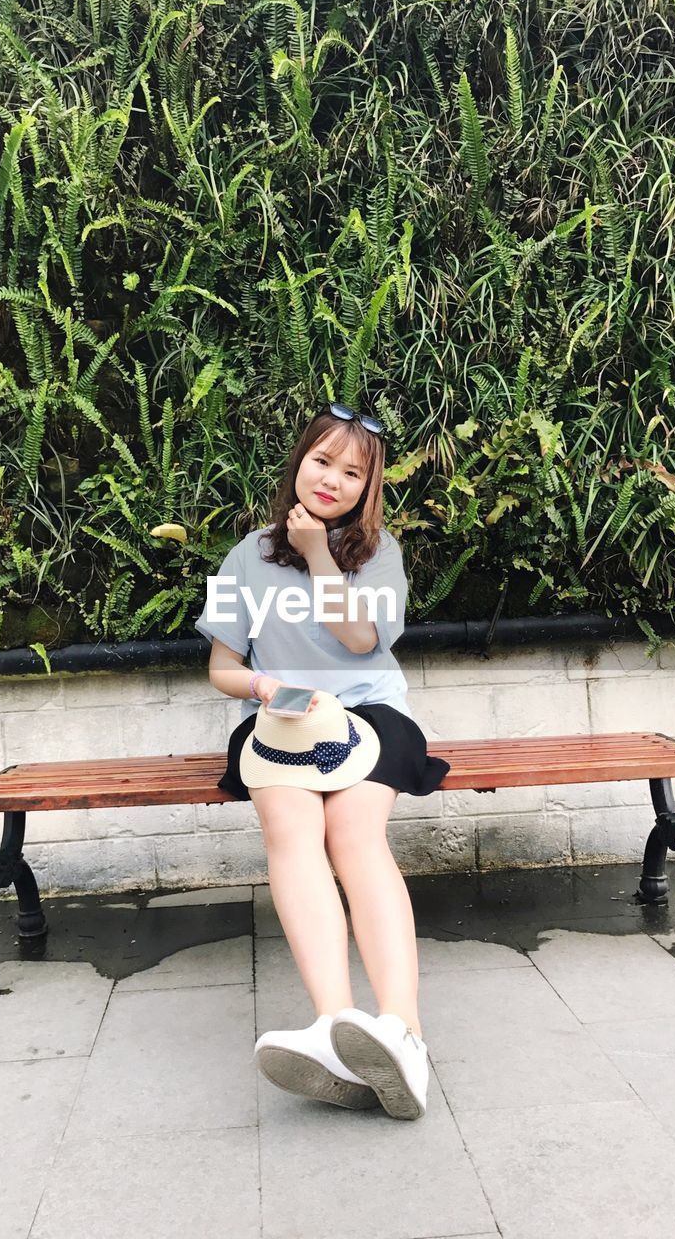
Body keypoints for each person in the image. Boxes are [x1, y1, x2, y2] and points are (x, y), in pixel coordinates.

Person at [194, 403, 449, 1120]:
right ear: (298, 462)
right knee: (291, 829)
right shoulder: (243, 554)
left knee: (355, 834)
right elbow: (221, 667)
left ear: (369, 489)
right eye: (321, 461)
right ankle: (338, 1028)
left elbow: (363, 641)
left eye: (352, 472)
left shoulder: (382, 554)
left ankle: (402, 1033)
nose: (332, 479)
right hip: (280, 718)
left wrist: (316, 555)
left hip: (370, 714)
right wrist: (261, 685)